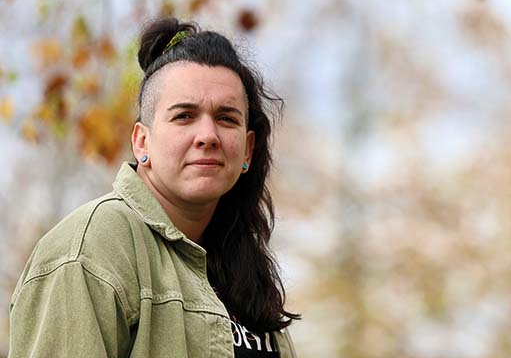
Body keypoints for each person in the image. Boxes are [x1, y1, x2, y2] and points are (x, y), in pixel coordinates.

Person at [9, 18, 300, 357]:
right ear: (141, 142)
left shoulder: (246, 274)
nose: (208, 136)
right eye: (184, 116)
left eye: (226, 118)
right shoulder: (91, 249)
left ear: (247, 149)